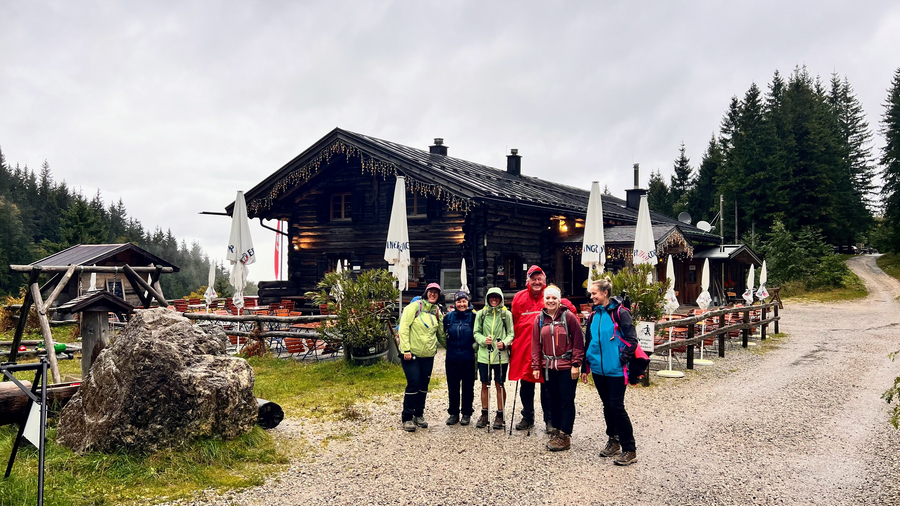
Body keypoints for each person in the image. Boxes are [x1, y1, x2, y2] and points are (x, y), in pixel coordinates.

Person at [581, 278, 639, 466]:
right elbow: (588, 341)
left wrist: (621, 359)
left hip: (616, 370)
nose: (591, 297)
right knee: (607, 405)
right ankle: (613, 440)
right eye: (591, 294)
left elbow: (632, 340)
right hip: (598, 370)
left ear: (605, 293)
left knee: (616, 407)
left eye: (594, 293)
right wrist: (585, 366)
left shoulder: (621, 313)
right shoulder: (593, 316)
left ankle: (629, 449)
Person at [531, 284, 584, 451]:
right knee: (552, 399)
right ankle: (556, 430)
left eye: (554, 298)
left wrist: (576, 364)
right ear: (544, 300)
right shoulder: (539, 319)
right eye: (548, 298)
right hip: (548, 366)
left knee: (566, 400)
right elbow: (535, 345)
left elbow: (578, 342)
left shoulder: (568, 317)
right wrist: (536, 365)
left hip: (566, 366)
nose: (551, 300)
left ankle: (565, 435)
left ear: (559, 300)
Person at [509, 265, 553, 433]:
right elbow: (513, 322)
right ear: (528, 281)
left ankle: (549, 420)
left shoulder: (550, 296)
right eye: (533, 278)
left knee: (547, 387)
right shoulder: (519, 297)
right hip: (524, 348)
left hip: (547, 350)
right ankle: (527, 416)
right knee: (526, 385)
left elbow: (567, 311)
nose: (536, 281)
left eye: (539, 278)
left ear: (544, 280)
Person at [398, 282, 445, 432]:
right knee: (414, 383)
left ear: (438, 296)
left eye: (436, 293)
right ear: (426, 293)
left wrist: (451, 349)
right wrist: (405, 349)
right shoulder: (414, 307)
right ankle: (407, 417)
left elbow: (441, 334)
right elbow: (404, 327)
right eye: (430, 292)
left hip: (428, 355)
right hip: (410, 354)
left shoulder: (438, 312)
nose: (433, 294)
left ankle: (419, 414)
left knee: (424, 385)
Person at [473, 287, 514, 430]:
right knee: (484, 384)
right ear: (488, 298)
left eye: (497, 297)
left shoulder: (506, 314)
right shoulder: (481, 314)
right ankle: (484, 413)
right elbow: (476, 332)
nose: (494, 299)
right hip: (485, 356)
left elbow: (511, 333)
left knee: (499, 384)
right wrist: (484, 340)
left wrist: (505, 343)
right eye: (492, 297)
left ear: (501, 298)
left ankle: (500, 414)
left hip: (501, 357)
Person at [443, 290, 477, 426]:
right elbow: (442, 333)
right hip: (452, 357)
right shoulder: (449, 318)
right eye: (459, 301)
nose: (462, 304)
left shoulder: (474, 317)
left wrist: (475, 347)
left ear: (467, 302)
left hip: (468, 356)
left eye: (464, 301)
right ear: (455, 303)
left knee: (468, 386)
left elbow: (478, 333)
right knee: (453, 386)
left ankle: (467, 413)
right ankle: (453, 413)